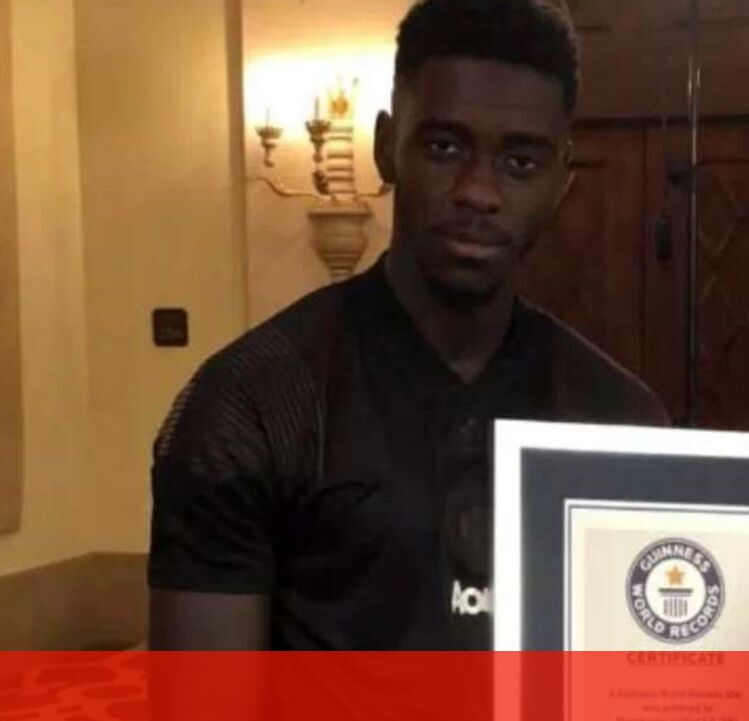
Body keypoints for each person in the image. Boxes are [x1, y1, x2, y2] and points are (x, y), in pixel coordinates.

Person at [147, 0, 666, 651]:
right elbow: (202, 697)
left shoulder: (620, 417)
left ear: (562, 181)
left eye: (520, 163)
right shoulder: (250, 406)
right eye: (445, 147)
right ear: (386, 146)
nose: (478, 191)